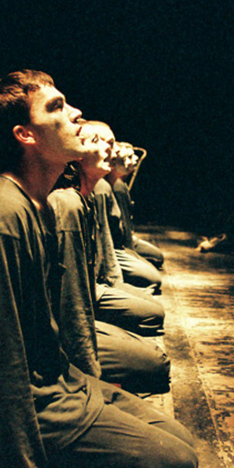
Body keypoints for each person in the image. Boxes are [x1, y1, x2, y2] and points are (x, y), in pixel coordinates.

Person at [0, 70, 197, 467]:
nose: (76, 113)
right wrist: (15, 455)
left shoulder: (39, 203)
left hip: (62, 381)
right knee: (177, 462)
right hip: (37, 405)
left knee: (181, 440)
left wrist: (85, 382)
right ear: (25, 135)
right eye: (56, 107)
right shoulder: (0, 214)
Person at [48, 125, 170, 394]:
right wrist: (89, 377)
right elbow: (72, 298)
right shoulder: (68, 202)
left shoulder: (93, 192)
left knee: (153, 322)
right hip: (67, 321)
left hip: (92, 293)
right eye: (98, 141)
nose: (111, 151)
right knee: (155, 359)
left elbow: (109, 244)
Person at [111, 141, 166, 269]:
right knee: (155, 259)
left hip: (126, 240)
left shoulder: (121, 184)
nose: (135, 159)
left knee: (156, 256)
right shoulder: (118, 186)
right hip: (121, 244)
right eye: (128, 157)